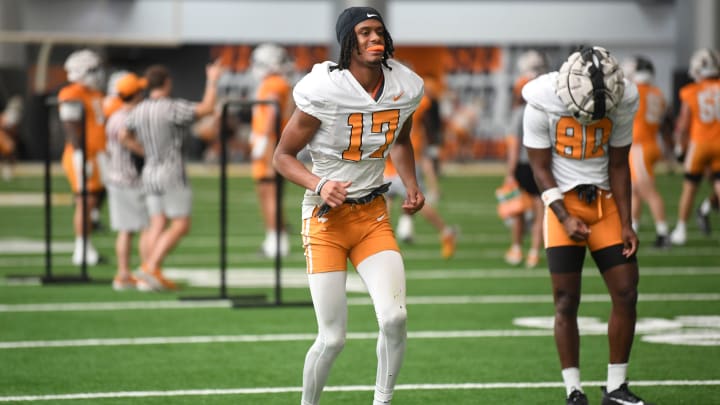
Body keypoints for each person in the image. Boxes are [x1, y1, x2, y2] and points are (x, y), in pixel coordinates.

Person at [272, 7, 424, 405]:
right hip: (326, 222)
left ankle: (382, 401)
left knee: (395, 318)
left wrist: (411, 184)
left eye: (379, 31)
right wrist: (319, 183)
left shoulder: (404, 85)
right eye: (364, 32)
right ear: (347, 42)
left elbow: (402, 140)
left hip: (372, 216)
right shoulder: (323, 89)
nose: (375, 38)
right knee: (333, 337)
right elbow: (282, 156)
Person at [523, 46, 653, 405]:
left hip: (606, 203)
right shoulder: (540, 99)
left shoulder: (623, 95)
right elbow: (539, 168)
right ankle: (573, 390)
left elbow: (619, 164)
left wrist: (628, 222)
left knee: (627, 291)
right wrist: (564, 215)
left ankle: (615, 387)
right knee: (566, 300)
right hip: (563, 203)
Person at [125, 61, 224, 291]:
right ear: (167, 83)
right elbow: (207, 108)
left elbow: (123, 134)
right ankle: (151, 267)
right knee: (180, 224)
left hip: (150, 169)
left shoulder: (139, 109)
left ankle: (147, 274)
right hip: (171, 171)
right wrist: (212, 80)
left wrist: (143, 151)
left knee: (156, 223)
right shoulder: (170, 107)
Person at [384, 91, 457, 259]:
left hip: (403, 161)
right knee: (384, 203)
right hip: (388, 163)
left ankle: (445, 231)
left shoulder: (405, 102)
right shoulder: (398, 101)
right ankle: (385, 245)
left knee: (416, 201)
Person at [58, 49, 107, 266]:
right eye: (94, 70)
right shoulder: (72, 93)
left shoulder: (94, 94)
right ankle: (81, 249)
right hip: (81, 154)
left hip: (96, 155)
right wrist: (79, 153)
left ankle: (87, 245)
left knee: (93, 200)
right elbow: (70, 126)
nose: (99, 74)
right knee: (85, 201)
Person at [105, 72, 150, 291]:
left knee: (125, 229)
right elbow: (125, 137)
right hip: (132, 179)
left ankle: (123, 274)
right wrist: (147, 154)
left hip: (115, 176)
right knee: (145, 228)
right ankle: (145, 272)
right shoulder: (131, 117)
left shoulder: (114, 115)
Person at [669, 48, 720, 245]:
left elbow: (683, 124)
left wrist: (680, 148)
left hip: (699, 145)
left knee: (689, 188)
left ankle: (681, 230)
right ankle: (706, 208)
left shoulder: (691, 91)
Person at [249, 43, 294, 258]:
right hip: (272, 142)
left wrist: (264, 140)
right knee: (266, 192)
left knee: (270, 193)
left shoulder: (274, 83)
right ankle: (273, 239)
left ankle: (277, 240)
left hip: (271, 144)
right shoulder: (276, 82)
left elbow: (273, 112)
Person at [623, 56, 673, 248]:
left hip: (639, 146)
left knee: (648, 191)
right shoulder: (657, 92)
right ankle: (633, 227)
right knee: (634, 190)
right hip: (652, 143)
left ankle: (663, 233)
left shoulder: (636, 92)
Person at [503, 50, 547, 268]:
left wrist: (509, 172)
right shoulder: (547, 108)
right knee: (540, 210)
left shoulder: (520, 112)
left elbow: (514, 146)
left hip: (522, 164)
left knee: (518, 211)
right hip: (543, 164)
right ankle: (534, 253)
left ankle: (517, 249)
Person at [0, 95, 22, 181]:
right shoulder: (11, 115)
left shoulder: (13, 114)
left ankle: (7, 172)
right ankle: (7, 171)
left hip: (4, 136)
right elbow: (6, 126)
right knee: (10, 148)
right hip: (2, 136)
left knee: (10, 152)